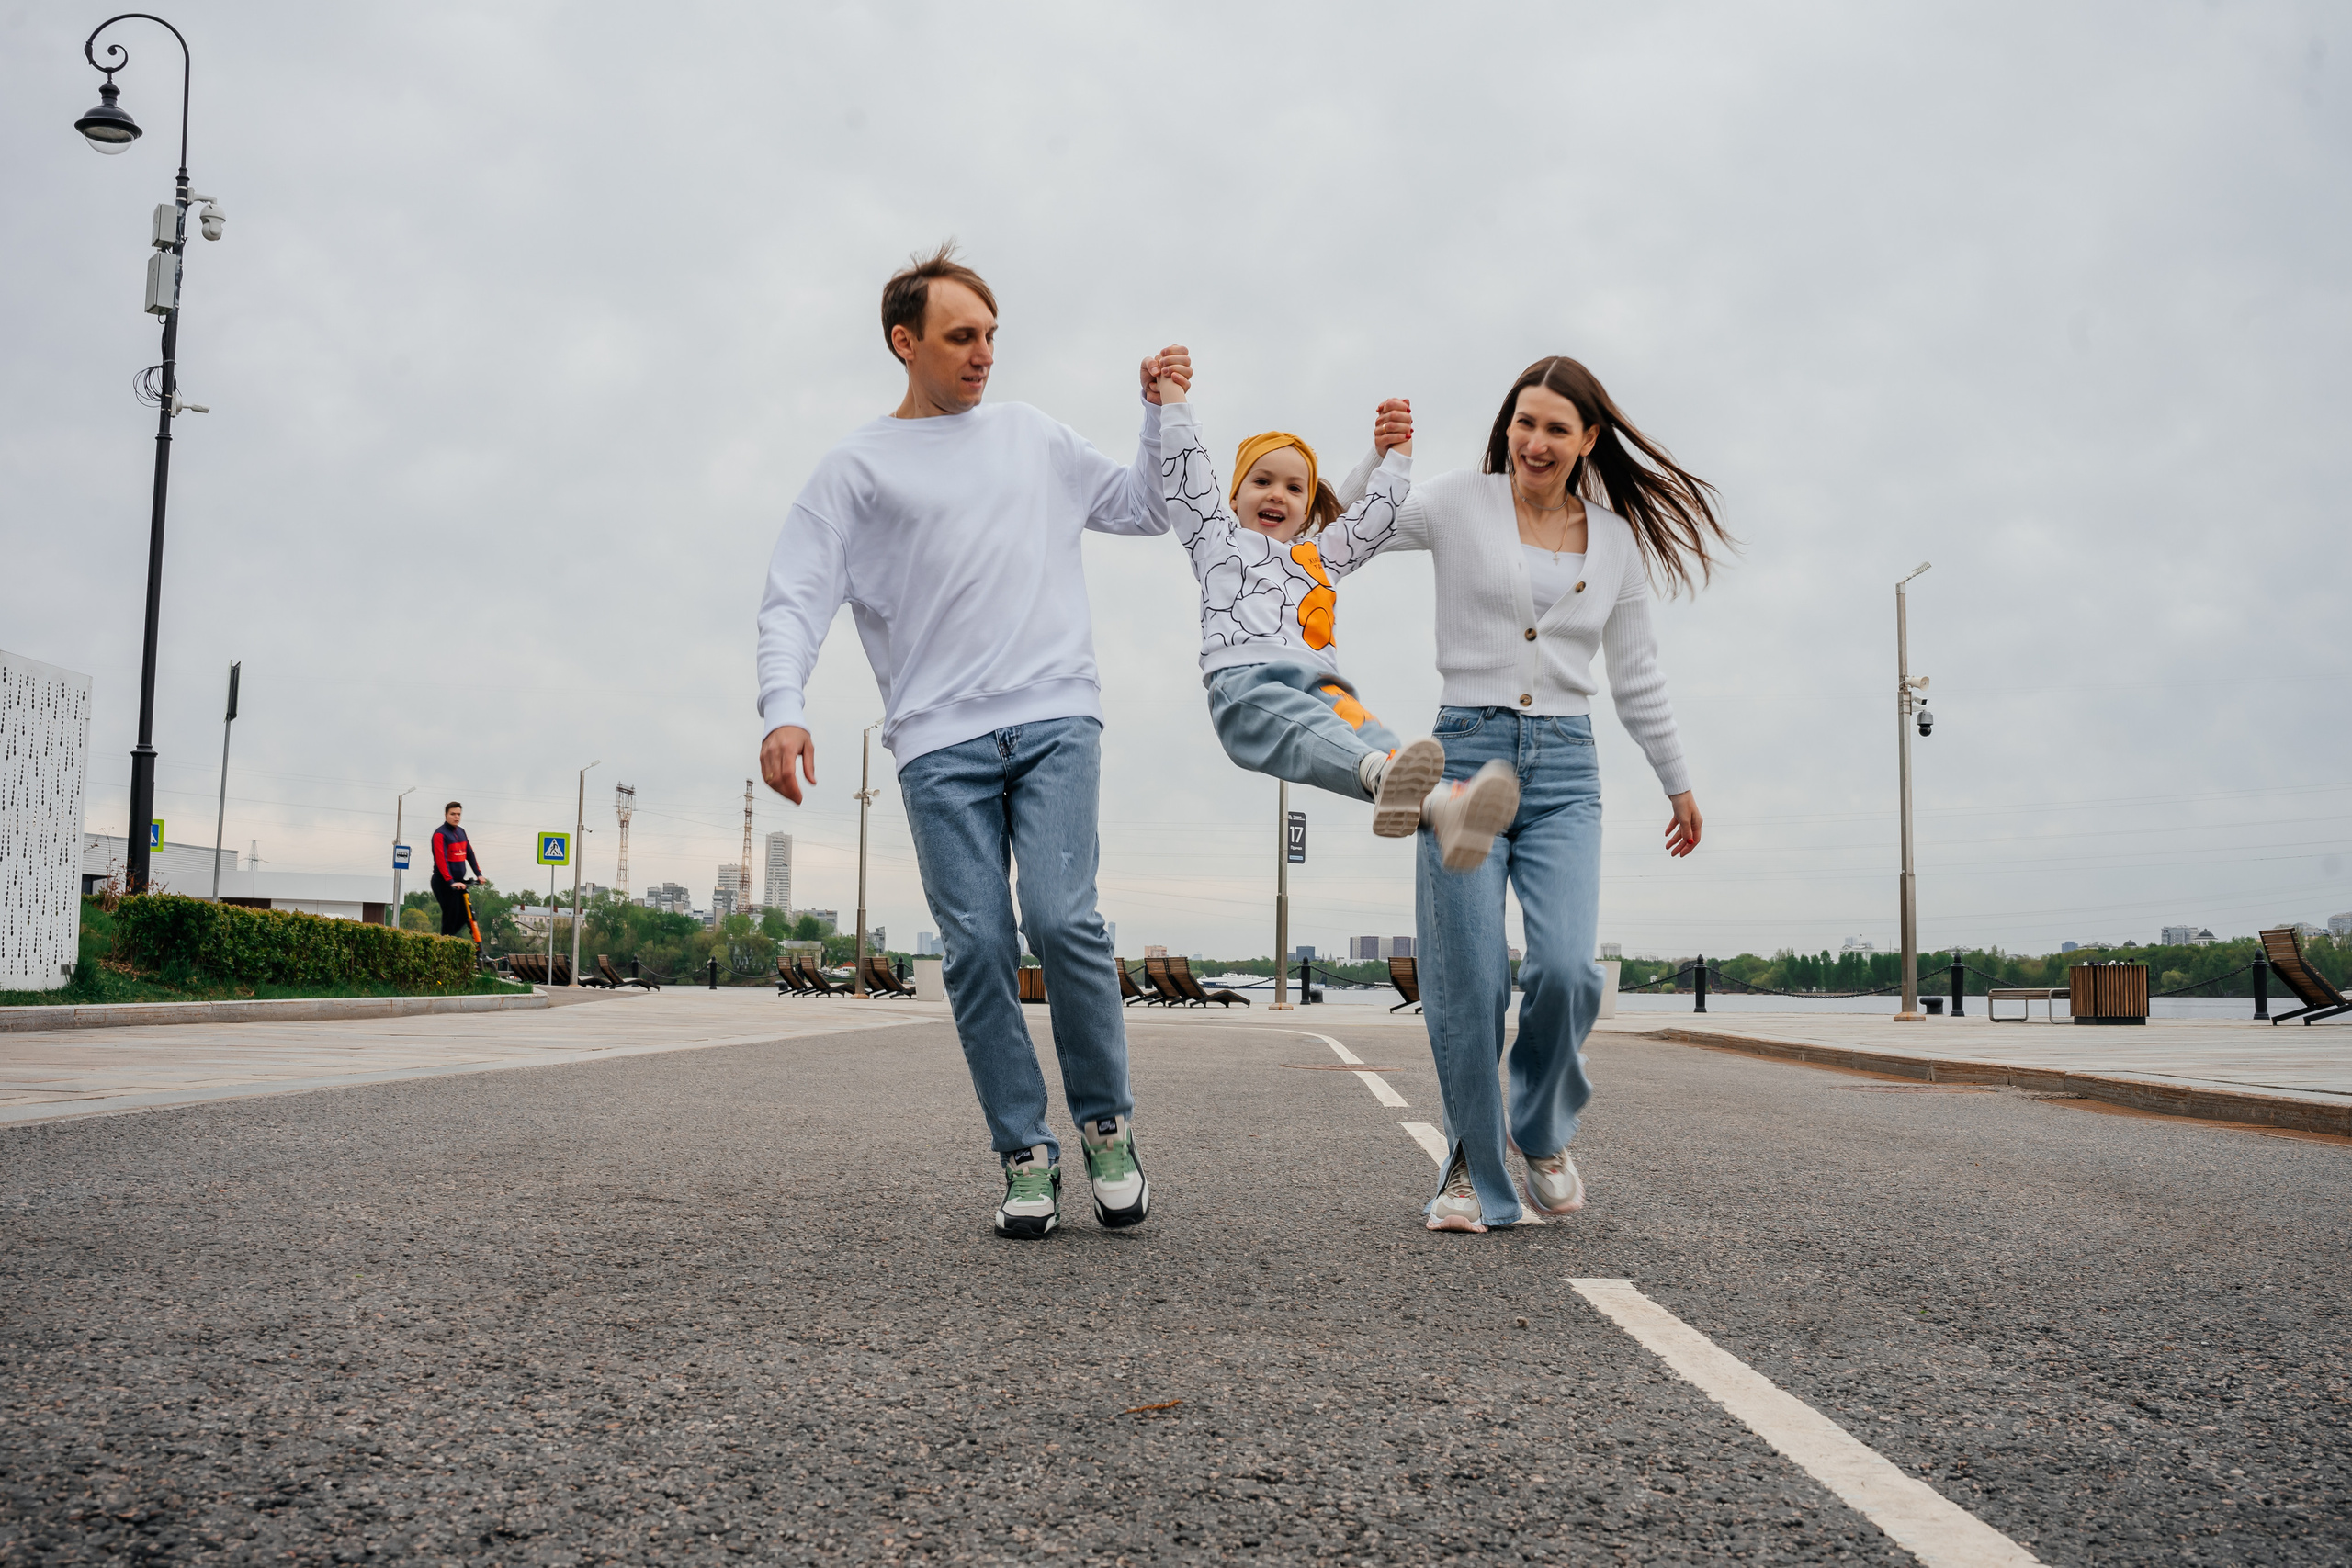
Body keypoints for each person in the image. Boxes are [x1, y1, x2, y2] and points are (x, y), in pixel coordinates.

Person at [756, 244, 1176, 1241]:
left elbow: (1146, 507)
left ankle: (1106, 1128)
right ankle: (1024, 1154)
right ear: (906, 344)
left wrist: (1158, 417)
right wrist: (784, 707)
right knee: (979, 945)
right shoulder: (854, 470)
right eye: (961, 337)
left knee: (1064, 921)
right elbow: (793, 598)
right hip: (938, 742)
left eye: (991, 335)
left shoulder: (1034, 437)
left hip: (1054, 717)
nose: (984, 354)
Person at [1333, 355, 1725, 1232]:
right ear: (1506, 426)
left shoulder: (1617, 540)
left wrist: (1678, 782)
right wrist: (1378, 458)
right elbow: (1340, 536)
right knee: (1469, 980)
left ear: (1588, 440)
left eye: (1555, 428)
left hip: (1566, 770)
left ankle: (1539, 1129)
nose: (1534, 441)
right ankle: (1472, 1168)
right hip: (1464, 757)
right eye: (1523, 422)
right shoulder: (1455, 501)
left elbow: (1638, 675)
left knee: (1565, 970)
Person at [1152, 363, 1521, 862]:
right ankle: (1383, 775)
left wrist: (1396, 456)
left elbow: (1370, 519)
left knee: (1375, 736)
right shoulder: (1217, 541)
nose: (1278, 494)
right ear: (1233, 496)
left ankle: (1444, 809)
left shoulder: (1318, 558)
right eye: (1262, 481)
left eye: (1294, 488)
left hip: (1321, 688)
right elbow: (1187, 475)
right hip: (1247, 689)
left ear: (1307, 511)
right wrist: (1174, 400)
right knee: (1322, 730)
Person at [429, 802, 484, 938]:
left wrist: (478, 874)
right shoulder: (440, 834)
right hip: (444, 883)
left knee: (466, 915)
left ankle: (449, 942)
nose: (456, 817)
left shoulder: (461, 832)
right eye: (453, 814)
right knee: (451, 915)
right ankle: (443, 946)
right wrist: (450, 881)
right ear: (446, 815)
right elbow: (441, 861)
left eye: (458, 814)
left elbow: (469, 853)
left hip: (459, 882)